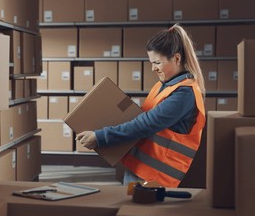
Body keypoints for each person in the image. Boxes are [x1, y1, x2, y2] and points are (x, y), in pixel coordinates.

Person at [75, 24, 206, 188]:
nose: (153, 68)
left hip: (155, 178)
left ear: (177, 58)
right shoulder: (163, 86)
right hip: (139, 169)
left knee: (138, 213)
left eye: (157, 62)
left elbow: (146, 124)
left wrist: (100, 137)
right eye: (151, 62)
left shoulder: (184, 94)